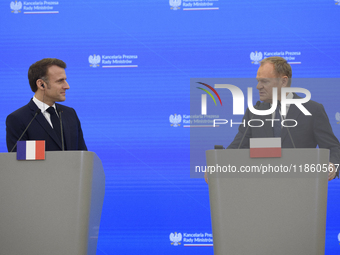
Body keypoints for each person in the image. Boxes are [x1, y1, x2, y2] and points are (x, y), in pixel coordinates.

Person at [205, 56, 339, 183]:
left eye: (264, 81)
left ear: (284, 81)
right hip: (262, 191)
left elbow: (333, 147)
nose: (258, 86)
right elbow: (238, 147)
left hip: (302, 190)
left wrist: (333, 166)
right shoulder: (254, 112)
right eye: (258, 81)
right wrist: (217, 165)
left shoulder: (312, 110)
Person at [6, 58, 87, 152]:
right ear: (41, 84)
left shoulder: (70, 113)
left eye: (65, 80)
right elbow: (21, 162)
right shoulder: (18, 119)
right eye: (60, 81)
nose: (67, 86)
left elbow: (82, 156)